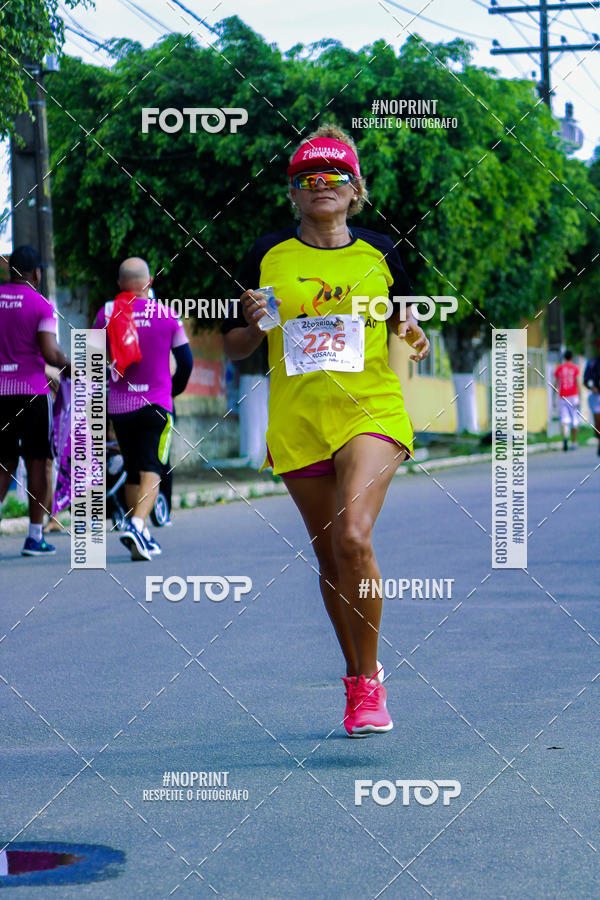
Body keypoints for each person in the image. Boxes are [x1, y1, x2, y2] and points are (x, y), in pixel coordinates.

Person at [222, 125, 430, 737]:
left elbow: (406, 323)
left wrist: (415, 334)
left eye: (333, 176)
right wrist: (253, 327)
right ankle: (355, 676)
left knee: (354, 536)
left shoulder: (385, 251)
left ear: (354, 188)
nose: (321, 186)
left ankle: (371, 686)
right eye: (307, 178)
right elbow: (233, 347)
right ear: (293, 191)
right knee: (330, 554)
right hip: (299, 422)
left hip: (370, 411)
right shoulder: (266, 253)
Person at [93, 258, 193, 560]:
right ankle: (137, 525)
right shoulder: (167, 314)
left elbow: (93, 360)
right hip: (156, 406)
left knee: (134, 469)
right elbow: (186, 363)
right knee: (154, 467)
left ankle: (141, 535)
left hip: (120, 408)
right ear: (148, 282)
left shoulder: (107, 313)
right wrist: (170, 392)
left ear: (121, 285)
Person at [0, 245, 71, 556]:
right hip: (30, 393)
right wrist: (73, 367)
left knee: (3, 463)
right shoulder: (41, 304)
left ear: (9, 270)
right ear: (37, 274)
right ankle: (34, 536)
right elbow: (50, 354)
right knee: (38, 463)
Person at [554, 350, 581, 451]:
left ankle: (565, 438)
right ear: (572, 357)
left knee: (564, 419)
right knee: (575, 419)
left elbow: (556, 383)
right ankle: (573, 443)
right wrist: (580, 397)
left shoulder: (559, 368)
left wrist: (553, 395)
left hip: (563, 396)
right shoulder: (575, 368)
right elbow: (577, 382)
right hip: (574, 396)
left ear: (564, 357)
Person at [583, 339, 600, 456]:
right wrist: (592, 387)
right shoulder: (593, 363)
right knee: (598, 425)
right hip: (597, 396)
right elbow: (586, 381)